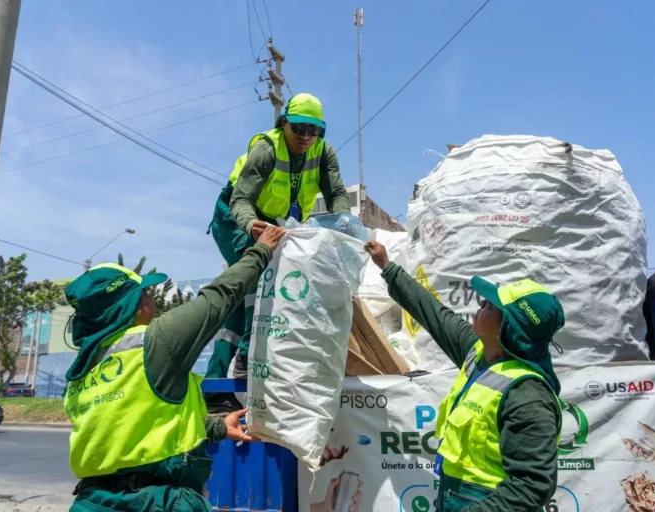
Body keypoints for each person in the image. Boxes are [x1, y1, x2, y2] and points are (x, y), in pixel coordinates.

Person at [63, 226, 285, 512]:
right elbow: (218, 298)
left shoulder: (83, 369)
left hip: (93, 502)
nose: (152, 299)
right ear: (133, 306)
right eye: (146, 293)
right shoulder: (154, 342)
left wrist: (217, 427)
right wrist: (261, 251)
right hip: (155, 502)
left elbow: (137, 429)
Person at [364, 241, 564, 512]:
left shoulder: (527, 395)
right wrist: (387, 267)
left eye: (490, 305)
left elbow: (531, 486)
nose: (480, 303)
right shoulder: (479, 352)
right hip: (453, 495)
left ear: (507, 329)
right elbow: (434, 314)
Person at [204, 92, 350, 413]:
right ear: (283, 123)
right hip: (235, 217)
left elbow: (337, 193)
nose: (306, 137)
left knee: (241, 295)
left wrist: (344, 226)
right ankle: (245, 358)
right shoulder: (266, 149)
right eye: (298, 128)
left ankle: (215, 386)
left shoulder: (324, 154)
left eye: (314, 131)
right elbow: (240, 199)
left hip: (272, 220)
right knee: (259, 274)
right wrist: (251, 224)